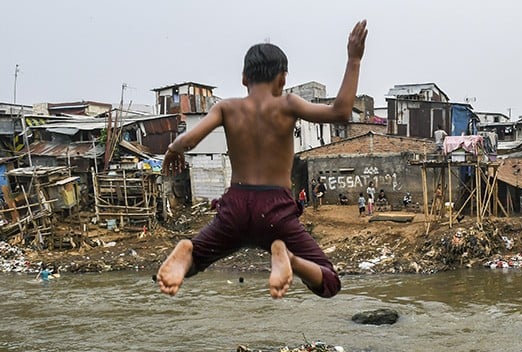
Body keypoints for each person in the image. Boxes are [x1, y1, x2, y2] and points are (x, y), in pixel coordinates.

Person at [156, 20, 368, 299]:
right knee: (329, 281)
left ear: (244, 78)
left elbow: (190, 140)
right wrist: (354, 59)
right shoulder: (288, 104)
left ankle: (187, 251)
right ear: (282, 79)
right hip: (274, 210)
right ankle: (289, 260)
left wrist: (173, 149)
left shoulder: (226, 107)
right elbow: (341, 111)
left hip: (235, 207)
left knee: (195, 263)